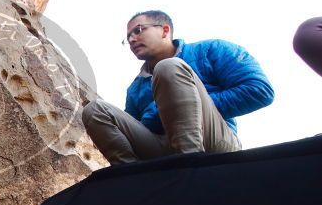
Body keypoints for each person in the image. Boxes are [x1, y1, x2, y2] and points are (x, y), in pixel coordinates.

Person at [82, 10, 274, 165]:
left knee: (168, 67)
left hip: (213, 144)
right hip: (162, 149)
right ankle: (134, 179)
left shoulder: (211, 50)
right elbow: (134, 130)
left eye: (138, 30)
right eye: (128, 37)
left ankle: (189, 165)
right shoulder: (135, 88)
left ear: (165, 31)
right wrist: (158, 115)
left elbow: (260, 91)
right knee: (95, 110)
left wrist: (168, 108)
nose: (132, 39)